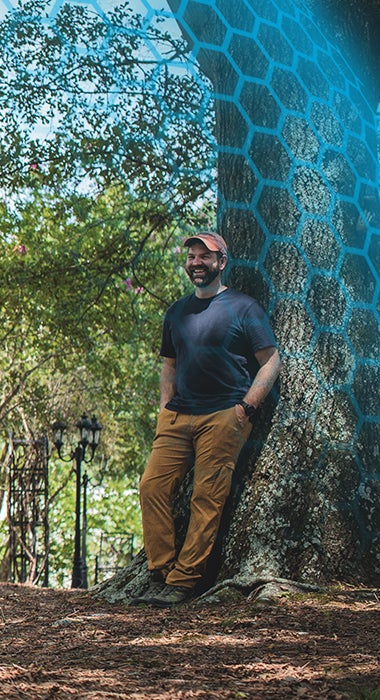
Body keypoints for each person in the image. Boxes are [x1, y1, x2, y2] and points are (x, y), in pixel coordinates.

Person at [133, 231, 280, 606]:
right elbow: (169, 365)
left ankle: (183, 582)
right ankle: (161, 570)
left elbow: (271, 362)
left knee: (206, 497)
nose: (196, 262)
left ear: (221, 262)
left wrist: (246, 407)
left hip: (224, 416)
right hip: (178, 416)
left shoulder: (243, 308)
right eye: (192, 257)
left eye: (205, 256)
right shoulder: (177, 312)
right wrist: (165, 407)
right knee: (152, 486)